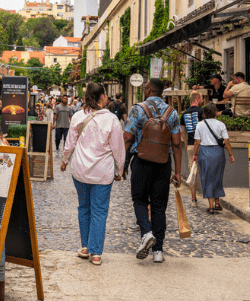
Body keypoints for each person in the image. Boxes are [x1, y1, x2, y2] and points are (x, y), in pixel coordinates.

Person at [60, 82, 124, 266]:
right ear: (103, 96)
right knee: (99, 211)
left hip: (80, 170)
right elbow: (118, 148)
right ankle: (95, 253)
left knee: (84, 207)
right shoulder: (111, 119)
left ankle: (86, 246)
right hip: (102, 172)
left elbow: (70, 143)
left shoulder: (78, 116)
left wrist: (65, 160)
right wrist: (120, 169)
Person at [122, 79, 183, 264]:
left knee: (139, 200)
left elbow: (127, 137)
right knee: (159, 206)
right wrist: (178, 172)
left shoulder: (138, 109)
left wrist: (122, 163)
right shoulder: (172, 113)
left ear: (148, 89)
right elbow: (178, 144)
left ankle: (146, 233)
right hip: (163, 163)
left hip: (142, 161)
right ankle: (158, 251)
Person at [192, 103, 235, 214]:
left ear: (205, 113)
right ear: (216, 112)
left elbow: (197, 142)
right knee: (217, 177)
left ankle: (211, 206)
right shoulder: (221, 124)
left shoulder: (200, 125)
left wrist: (194, 154)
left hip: (205, 152)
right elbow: (227, 141)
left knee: (207, 178)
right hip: (218, 153)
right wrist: (231, 155)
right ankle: (217, 203)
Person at [180, 92, 204, 203]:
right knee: (206, 170)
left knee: (193, 172)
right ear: (197, 99)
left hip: (190, 145)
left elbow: (183, 131)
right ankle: (209, 198)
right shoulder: (202, 111)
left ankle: (193, 198)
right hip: (203, 145)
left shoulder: (184, 114)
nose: (203, 100)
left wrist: (186, 143)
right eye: (202, 98)